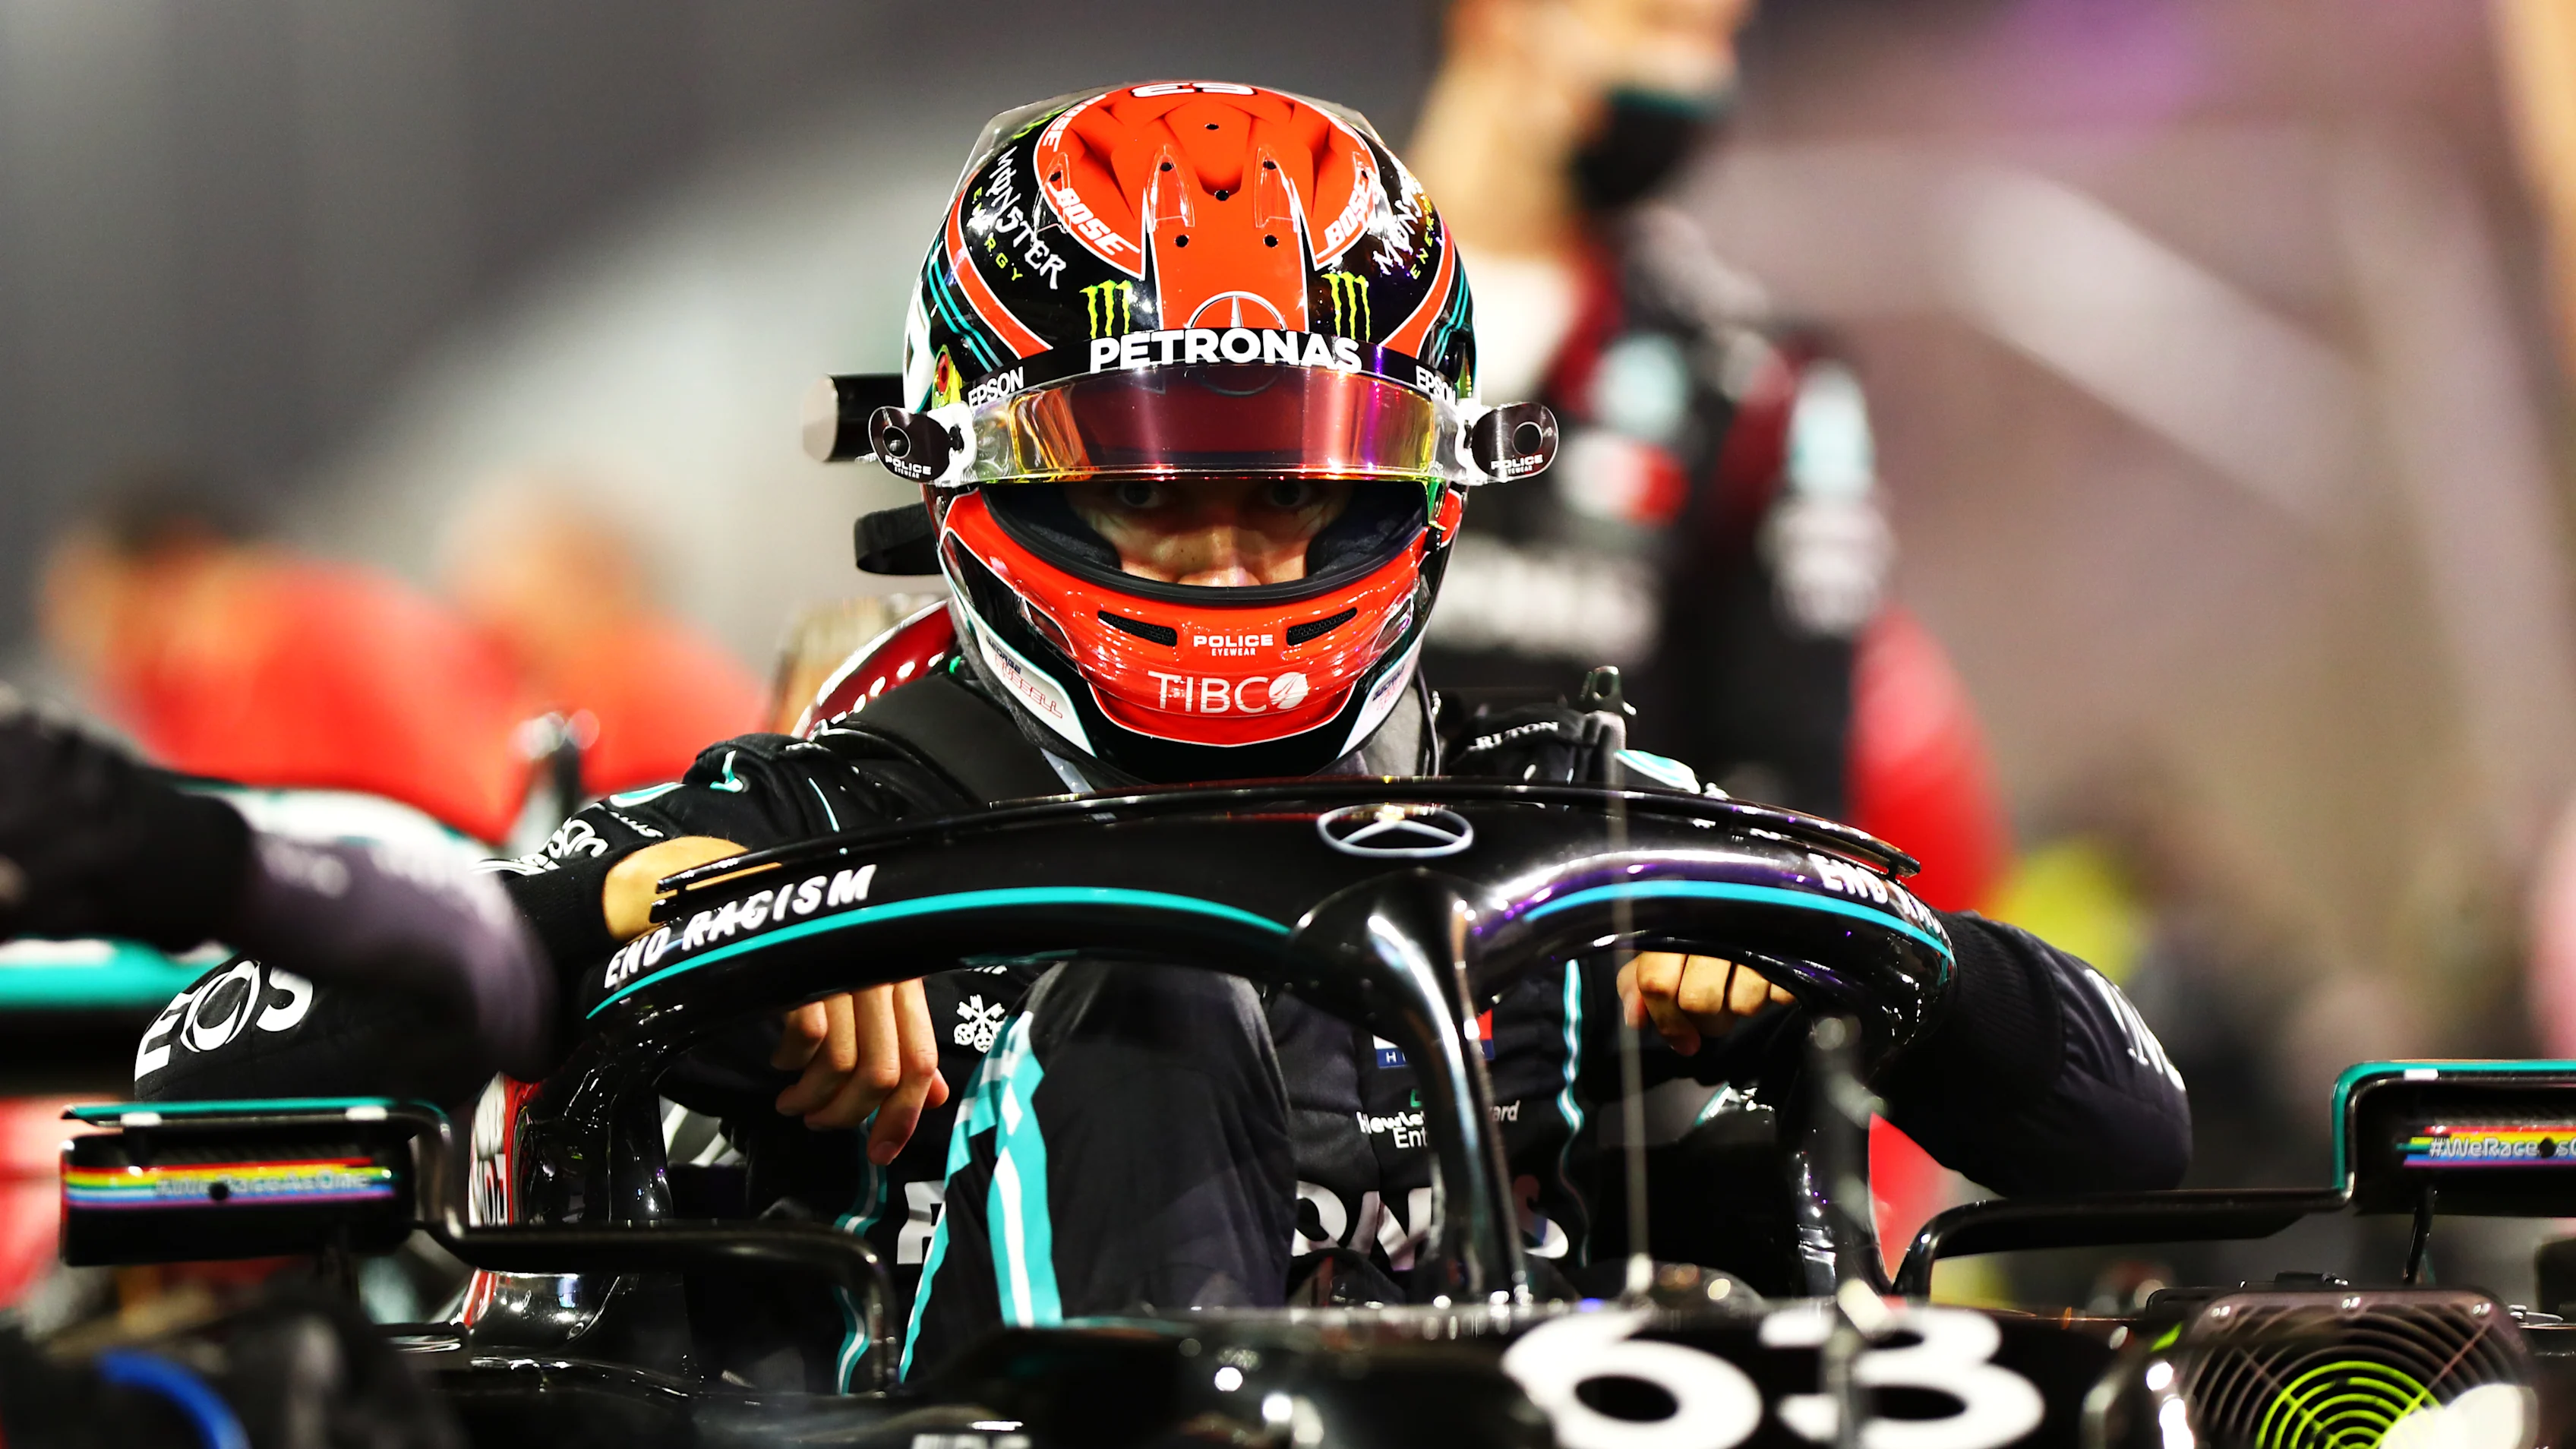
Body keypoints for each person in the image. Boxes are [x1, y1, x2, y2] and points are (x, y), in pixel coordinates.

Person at [167, 82, 2187, 1390]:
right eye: (1157, 493)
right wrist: (630, 919)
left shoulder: (1591, 821)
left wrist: (1849, 963)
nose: (1230, 559)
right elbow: (204, 1058)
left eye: (1294, 490)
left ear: (1426, 484)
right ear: (975, 475)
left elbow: (2135, 1127)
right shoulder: (798, 827)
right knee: (1149, 1000)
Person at [1406, 0, 2008, 911]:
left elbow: (1792, 803)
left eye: (1715, 40)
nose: (1696, 85)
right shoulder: (1256, 320)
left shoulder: (1756, 386)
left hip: (1590, 1006)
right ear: (1500, 17)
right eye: (1656, 27)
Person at [39, 470, 529, 844]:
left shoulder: (343, 631)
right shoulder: (183, 707)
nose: (112, 666)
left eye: (117, 624)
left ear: (176, 564)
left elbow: (475, 788)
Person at [442, 474, 766, 797]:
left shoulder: (617, 681)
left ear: (585, 574)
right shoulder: (673, 659)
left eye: (509, 556)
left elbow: (498, 814)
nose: (478, 594)